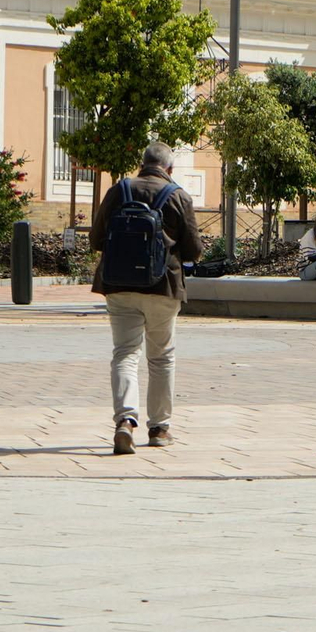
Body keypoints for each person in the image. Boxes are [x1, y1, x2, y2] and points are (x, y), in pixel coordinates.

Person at [89, 141, 203, 455]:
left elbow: (96, 239)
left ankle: (125, 421)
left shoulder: (119, 191)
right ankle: (159, 428)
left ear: (143, 163)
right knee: (161, 357)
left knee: (125, 353)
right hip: (163, 286)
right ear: (169, 169)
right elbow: (193, 250)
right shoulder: (178, 196)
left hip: (119, 285)